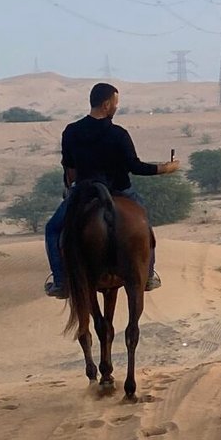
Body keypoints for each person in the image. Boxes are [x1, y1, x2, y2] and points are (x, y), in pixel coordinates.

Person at [44, 82, 179, 297]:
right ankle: (149, 275)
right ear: (106, 104)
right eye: (115, 103)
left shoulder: (71, 131)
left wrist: (72, 190)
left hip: (85, 193)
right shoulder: (118, 134)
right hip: (119, 191)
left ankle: (60, 282)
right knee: (144, 225)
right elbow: (135, 167)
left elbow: (70, 169)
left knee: (52, 230)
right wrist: (166, 168)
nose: (116, 107)